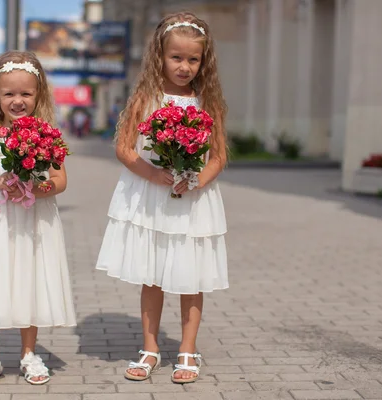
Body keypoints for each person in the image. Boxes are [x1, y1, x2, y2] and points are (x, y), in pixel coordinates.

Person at [95, 12, 229, 384]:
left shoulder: (208, 102)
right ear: (160, 56)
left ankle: (187, 349)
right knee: (151, 276)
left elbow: (218, 155)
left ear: (204, 61)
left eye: (193, 59)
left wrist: (198, 179)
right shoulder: (146, 97)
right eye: (176, 57)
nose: (184, 66)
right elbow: (123, 148)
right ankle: (150, 348)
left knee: (191, 277)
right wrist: (154, 173)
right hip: (152, 195)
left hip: (192, 201)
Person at [0, 51, 76, 386]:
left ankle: (28, 353)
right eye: (9, 94)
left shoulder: (48, 134)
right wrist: (0, 181)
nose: (17, 101)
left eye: (26, 93)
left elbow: (60, 180)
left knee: (29, 278)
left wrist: (39, 187)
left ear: (39, 96)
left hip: (32, 220)